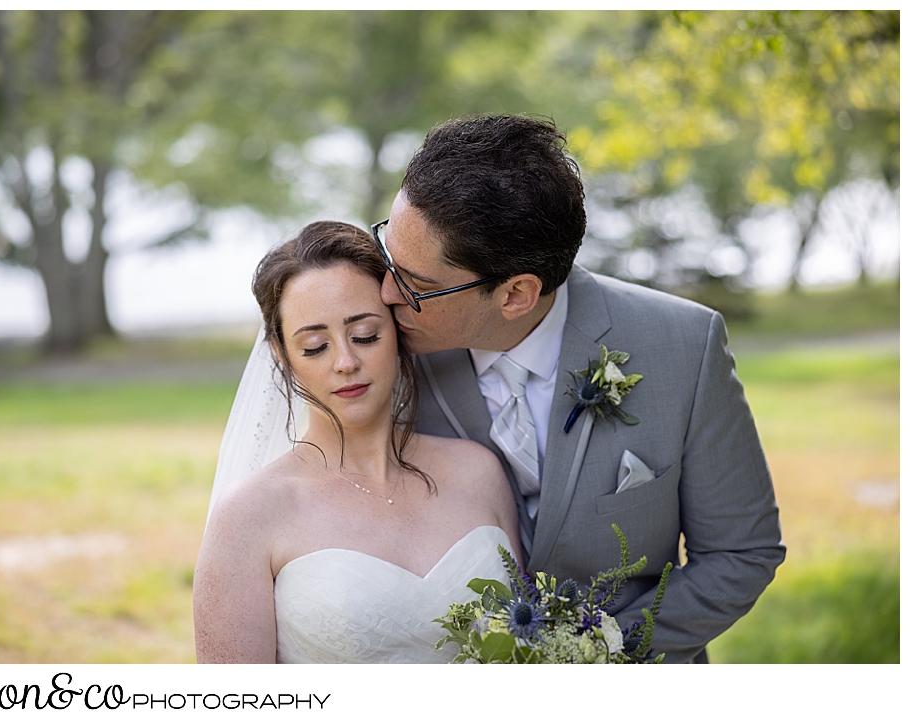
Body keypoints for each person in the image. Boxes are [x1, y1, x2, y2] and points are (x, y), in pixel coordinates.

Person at [372, 114, 786, 664]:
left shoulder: (684, 346)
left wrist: (588, 658)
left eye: (414, 285)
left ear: (516, 294)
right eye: (387, 255)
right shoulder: (376, 355)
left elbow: (740, 553)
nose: (383, 292)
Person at [194, 221, 523, 663]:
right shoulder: (250, 515)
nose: (346, 362)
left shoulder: (478, 472)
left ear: (398, 328)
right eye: (315, 346)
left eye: (365, 335)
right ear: (282, 355)